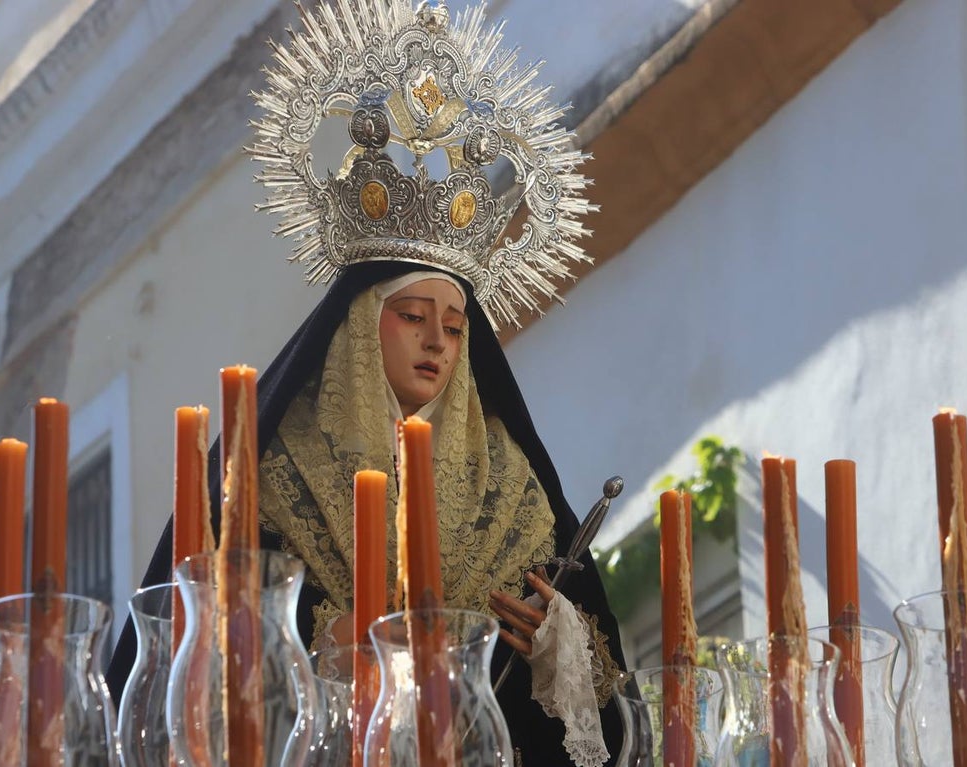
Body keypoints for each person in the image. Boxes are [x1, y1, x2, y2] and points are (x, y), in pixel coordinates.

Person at [107, 1, 628, 764]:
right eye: (412, 315)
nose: (437, 342)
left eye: (455, 327)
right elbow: (213, 678)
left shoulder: (516, 490)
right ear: (358, 327)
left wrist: (560, 645)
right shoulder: (273, 479)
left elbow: (604, 725)